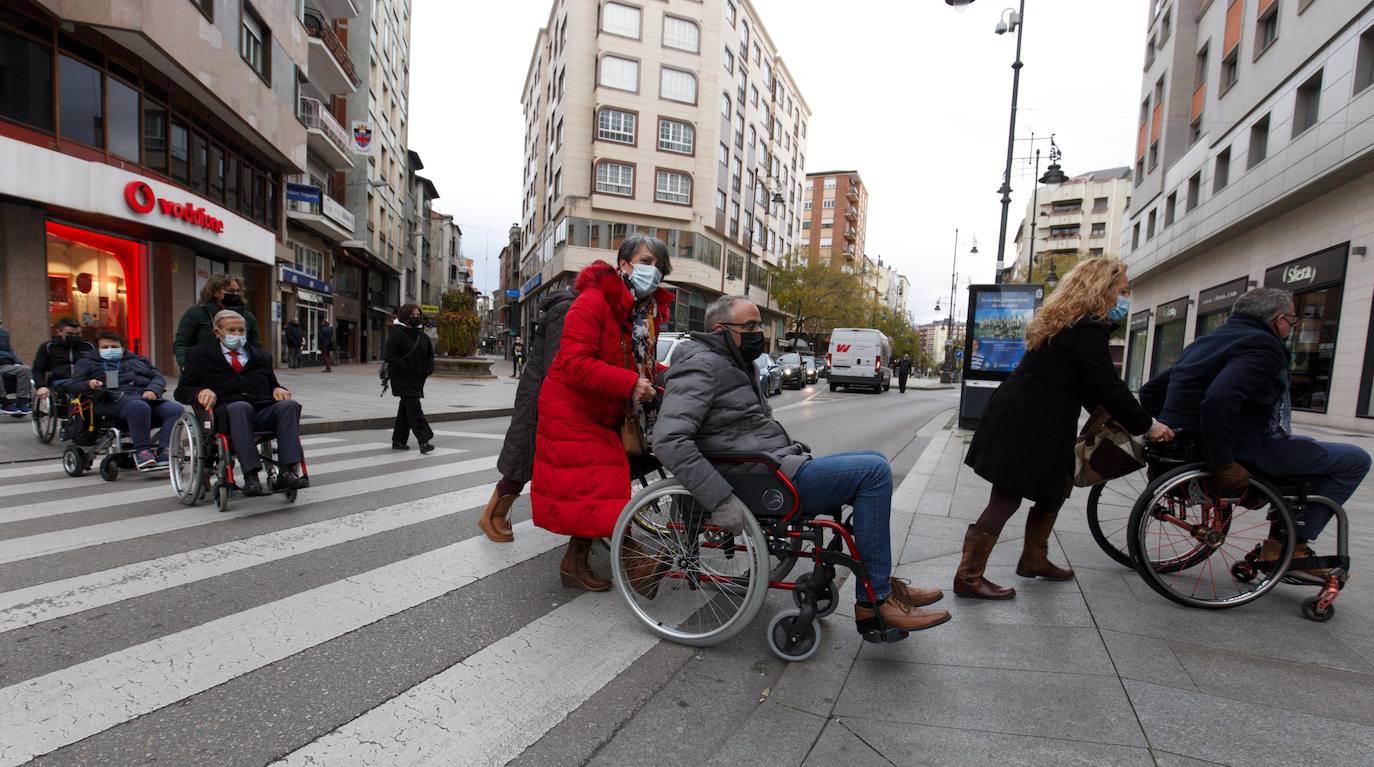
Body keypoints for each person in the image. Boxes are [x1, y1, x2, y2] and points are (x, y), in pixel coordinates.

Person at [654, 295, 950, 633]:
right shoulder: (702, 365)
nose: (757, 333)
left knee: (875, 460)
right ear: (721, 329)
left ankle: (879, 583)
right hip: (754, 480)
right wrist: (720, 499)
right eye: (749, 326)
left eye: (757, 325)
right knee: (874, 473)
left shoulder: (736, 363)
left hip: (771, 467)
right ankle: (874, 600)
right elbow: (669, 440)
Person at [960, 259, 1174, 599]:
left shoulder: (1068, 323)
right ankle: (969, 577)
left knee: (1055, 488)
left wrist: (1122, 420)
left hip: (1032, 416)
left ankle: (1034, 558)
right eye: (1122, 290)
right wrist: (1147, 425)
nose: (1125, 297)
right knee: (1007, 496)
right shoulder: (1086, 329)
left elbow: (1089, 386)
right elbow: (1107, 386)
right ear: (1102, 289)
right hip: (1029, 420)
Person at [1140, 287, 1370, 582]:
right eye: (1292, 321)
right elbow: (1220, 398)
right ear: (1278, 320)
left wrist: (1168, 431)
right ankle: (1291, 545)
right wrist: (1221, 462)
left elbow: (1151, 392)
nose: (1291, 328)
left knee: (1309, 448)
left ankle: (1281, 536)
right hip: (1237, 451)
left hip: (1181, 449)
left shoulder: (1205, 342)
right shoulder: (1264, 345)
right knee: (1354, 459)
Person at [532, 234, 675, 591]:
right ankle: (636, 564)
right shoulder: (593, 302)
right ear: (623, 263)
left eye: (659, 266)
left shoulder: (634, 309)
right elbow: (574, 363)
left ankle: (574, 564)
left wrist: (669, 374)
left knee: (590, 488)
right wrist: (628, 383)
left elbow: (631, 358)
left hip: (597, 408)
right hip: (570, 408)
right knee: (605, 480)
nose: (652, 272)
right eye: (645, 262)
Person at [479, 287, 578, 542]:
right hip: (538, 395)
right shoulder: (567, 309)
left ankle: (496, 514)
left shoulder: (568, 306)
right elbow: (556, 361)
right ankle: (491, 516)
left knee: (524, 455)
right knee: (521, 455)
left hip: (539, 391)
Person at [175, 310, 303, 496]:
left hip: (260, 411)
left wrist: (277, 388)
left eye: (241, 331)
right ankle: (251, 476)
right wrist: (199, 391)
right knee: (240, 407)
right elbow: (182, 390)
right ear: (218, 333)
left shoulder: (261, 356)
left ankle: (286, 471)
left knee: (289, 405)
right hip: (226, 414)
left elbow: (272, 384)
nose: (237, 335)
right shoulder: (199, 355)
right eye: (232, 330)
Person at [66, 331, 183, 469]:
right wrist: (89, 384)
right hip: (107, 400)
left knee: (175, 410)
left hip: (143, 398)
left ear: (122, 347)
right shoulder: (87, 363)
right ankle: (143, 453)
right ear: (97, 348)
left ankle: (165, 451)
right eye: (104, 347)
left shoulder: (139, 360)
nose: (110, 350)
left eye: (114, 346)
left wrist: (153, 390)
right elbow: (72, 386)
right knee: (139, 407)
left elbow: (157, 377)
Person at [173, 274, 262, 369]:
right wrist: (187, 365)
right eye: (230, 291)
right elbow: (181, 343)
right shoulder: (197, 313)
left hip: (238, 371)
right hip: (204, 370)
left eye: (238, 291)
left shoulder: (247, 317)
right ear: (215, 292)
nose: (236, 295)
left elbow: (255, 346)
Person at [384, 304, 436, 454]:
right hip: (402, 379)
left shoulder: (422, 336)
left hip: (418, 379)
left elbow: (430, 355)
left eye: (417, 315)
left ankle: (398, 440)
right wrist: (408, 368)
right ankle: (424, 441)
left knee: (405, 410)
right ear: (405, 317)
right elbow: (390, 357)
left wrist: (428, 369)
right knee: (414, 410)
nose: (416, 317)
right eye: (412, 315)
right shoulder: (397, 334)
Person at [33, 318, 96, 405]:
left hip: (84, 380)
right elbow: (38, 369)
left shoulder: (89, 346)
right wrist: (41, 386)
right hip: (60, 381)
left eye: (78, 334)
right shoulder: (49, 347)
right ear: (59, 332)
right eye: (69, 334)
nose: (74, 337)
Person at [0, 318, 33, 414]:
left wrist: (18, 362)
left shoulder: (4, 333)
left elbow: (9, 350)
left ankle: (22, 401)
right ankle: (3, 402)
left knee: (25, 369)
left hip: (6, 364)